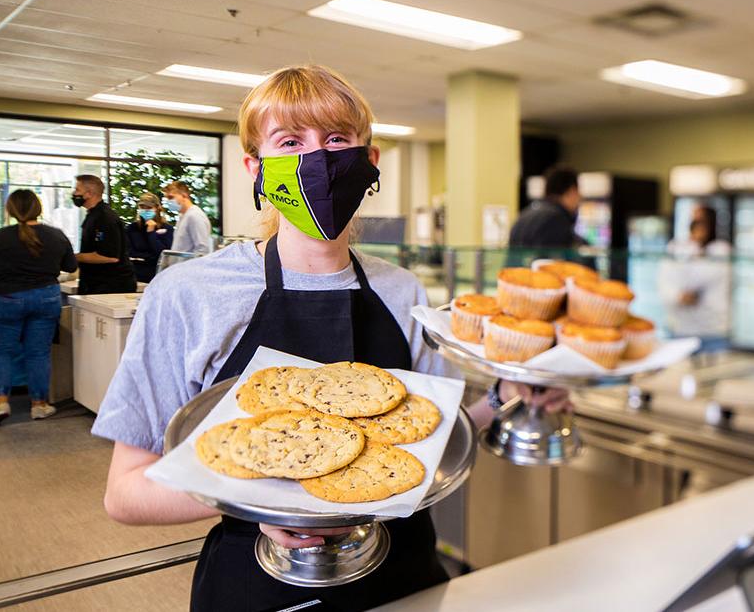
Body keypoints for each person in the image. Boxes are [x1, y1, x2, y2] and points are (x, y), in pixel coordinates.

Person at [91, 65, 569, 611]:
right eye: (290, 141)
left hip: (404, 572)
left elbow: (435, 431)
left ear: (369, 162)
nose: (317, 160)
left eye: (337, 139)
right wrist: (264, 497)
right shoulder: (188, 294)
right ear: (257, 169)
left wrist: (508, 394)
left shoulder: (400, 288)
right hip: (261, 582)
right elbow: (125, 493)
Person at [0, 190, 78, 423]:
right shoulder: (56, 235)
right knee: (38, 353)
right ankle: (39, 405)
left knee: (2, 351)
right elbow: (71, 266)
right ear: (38, 208)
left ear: (10, 210)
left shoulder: (0, 237)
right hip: (46, 298)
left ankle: (0, 402)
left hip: (7, 299)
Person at [658, 206, 732, 351]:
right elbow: (663, 282)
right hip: (680, 330)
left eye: (702, 221)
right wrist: (678, 296)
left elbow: (699, 278)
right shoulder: (676, 247)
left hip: (714, 331)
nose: (697, 225)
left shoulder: (722, 250)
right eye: (694, 221)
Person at [72, 174, 137, 295]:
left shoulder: (105, 218)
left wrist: (74, 257)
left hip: (110, 286)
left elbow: (109, 256)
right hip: (95, 283)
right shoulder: (93, 215)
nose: (74, 194)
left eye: (77, 190)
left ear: (89, 193)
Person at [508, 166, 584, 250]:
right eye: (578, 192)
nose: (580, 197)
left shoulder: (526, 213)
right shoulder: (556, 219)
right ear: (571, 191)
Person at [126, 192, 173, 283]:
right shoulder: (132, 228)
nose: (145, 210)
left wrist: (151, 233)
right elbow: (129, 252)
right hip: (136, 274)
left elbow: (163, 254)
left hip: (157, 275)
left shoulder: (167, 229)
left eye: (149, 208)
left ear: (157, 208)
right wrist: (149, 257)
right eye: (142, 207)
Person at [163, 181, 212, 255]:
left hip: (189, 266)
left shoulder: (195, 216)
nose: (169, 201)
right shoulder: (182, 216)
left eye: (171, 197)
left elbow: (202, 250)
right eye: (167, 198)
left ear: (184, 195)